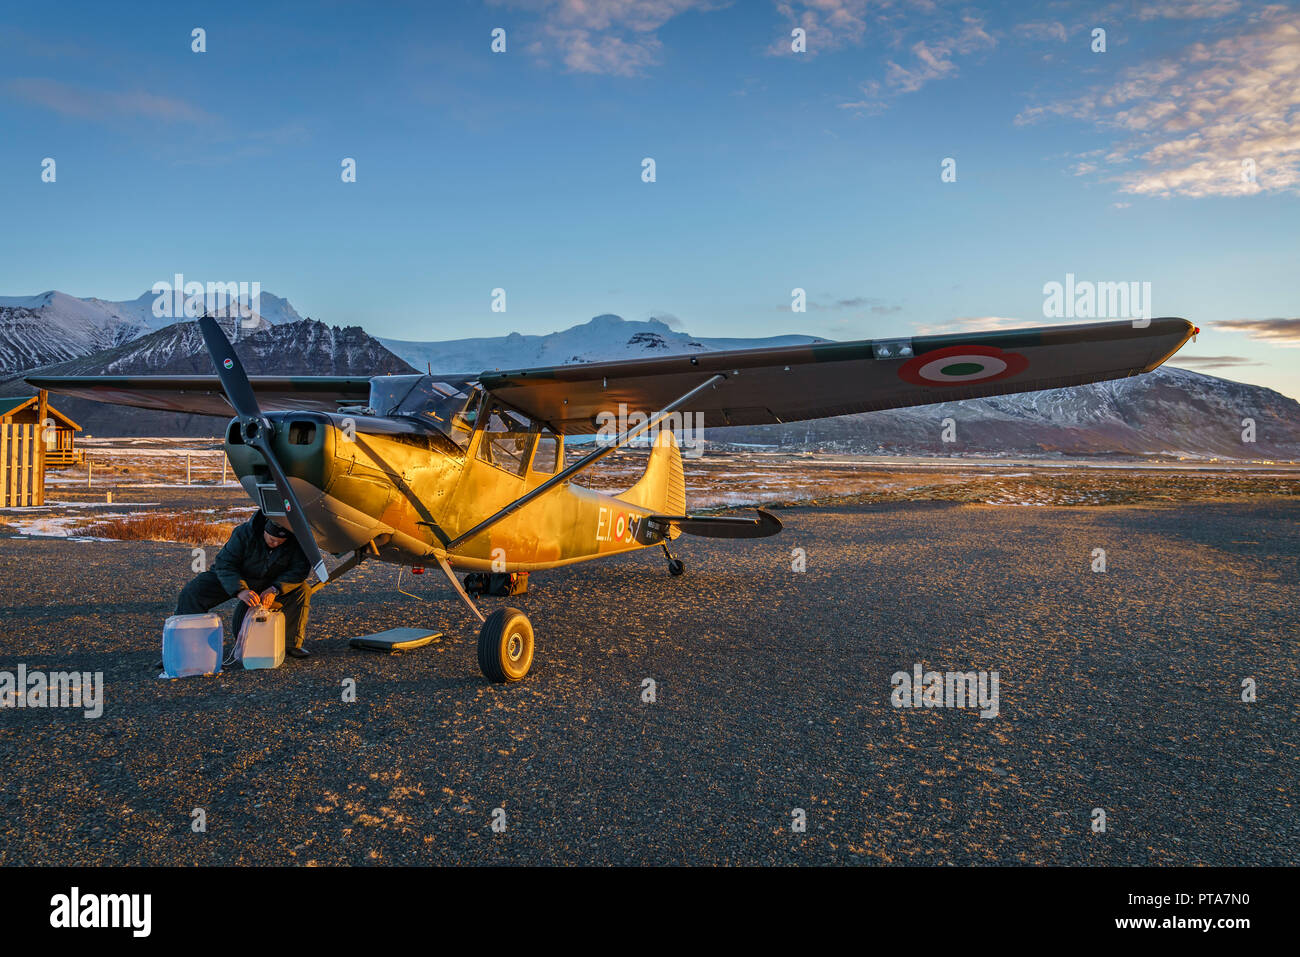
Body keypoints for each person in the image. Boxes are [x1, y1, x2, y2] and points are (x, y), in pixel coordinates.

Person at [174, 510, 315, 660]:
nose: (275, 544)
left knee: (302, 590)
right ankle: (182, 647)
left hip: (270, 581)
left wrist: (275, 589)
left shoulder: (296, 541)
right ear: (264, 531)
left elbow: (299, 570)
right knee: (193, 592)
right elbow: (225, 563)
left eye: (280, 542)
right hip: (237, 577)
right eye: (272, 540)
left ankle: (290, 644)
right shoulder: (244, 533)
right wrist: (240, 590)